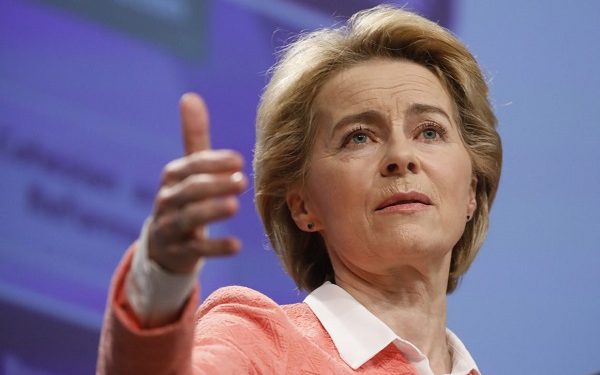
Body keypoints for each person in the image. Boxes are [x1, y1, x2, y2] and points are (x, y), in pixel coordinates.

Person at [97, 5, 501, 375]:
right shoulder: (255, 341)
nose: (401, 156)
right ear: (302, 206)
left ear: (472, 190)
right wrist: (161, 276)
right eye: (358, 137)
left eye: (430, 131)